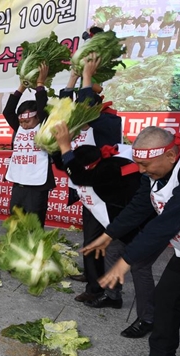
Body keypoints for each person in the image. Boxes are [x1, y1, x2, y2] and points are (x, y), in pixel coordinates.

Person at [81, 126, 180, 356]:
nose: (141, 170)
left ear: (171, 156)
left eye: (146, 164)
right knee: (165, 299)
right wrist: (109, 234)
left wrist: (126, 260)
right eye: (138, 163)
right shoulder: (156, 165)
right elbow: (142, 203)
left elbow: (170, 218)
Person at [53, 122, 160, 338]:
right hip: (121, 223)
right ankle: (113, 297)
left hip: (141, 224)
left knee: (139, 268)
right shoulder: (96, 163)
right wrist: (60, 146)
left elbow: (79, 176)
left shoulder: (109, 168)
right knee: (112, 252)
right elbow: (69, 167)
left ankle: (148, 318)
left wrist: (66, 146)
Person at [56, 54, 121, 304]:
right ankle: (93, 277)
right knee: (91, 239)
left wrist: (86, 76)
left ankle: (103, 291)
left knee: (103, 242)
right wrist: (72, 77)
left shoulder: (108, 122)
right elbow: (63, 112)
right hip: (87, 192)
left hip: (105, 194)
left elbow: (84, 104)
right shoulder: (77, 126)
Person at [2, 63, 55, 227]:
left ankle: (33, 253)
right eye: (21, 121)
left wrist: (40, 85)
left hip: (37, 185)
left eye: (28, 120)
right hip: (19, 183)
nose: (24, 124)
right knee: (15, 223)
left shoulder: (44, 126)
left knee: (34, 225)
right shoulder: (19, 128)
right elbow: (8, 111)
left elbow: (42, 108)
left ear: (38, 118)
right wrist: (22, 87)